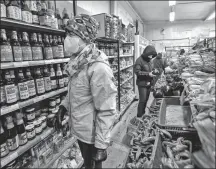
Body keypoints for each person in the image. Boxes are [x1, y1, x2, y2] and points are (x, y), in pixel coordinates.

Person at [56, 14, 117, 169]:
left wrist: (101, 145)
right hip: (81, 129)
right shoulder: (78, 62)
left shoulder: (98, 67)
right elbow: (76, 93)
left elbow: (107, 109)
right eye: (67, 34)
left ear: (83, 37)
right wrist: (63, 106)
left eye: (71, 34)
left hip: (93, 136)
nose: (66, 38)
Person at [134, 45, 157, 118]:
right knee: (142, 100)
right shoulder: (139, 60)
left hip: (148, 83)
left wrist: (154, 71)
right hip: (142, 83)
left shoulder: (150, 60)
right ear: (146, 53)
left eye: (152, 56)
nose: (151, 57)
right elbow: (137, 72)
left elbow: (150, 69)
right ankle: (139, 116)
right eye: (150, 55)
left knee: (146, 99)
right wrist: (148, 74)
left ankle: (143, 113)